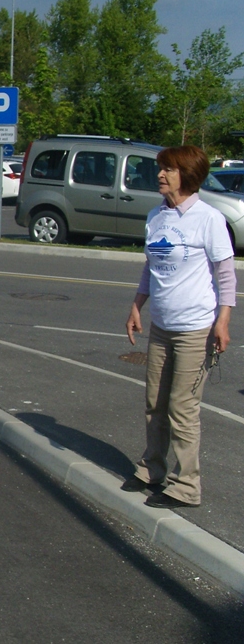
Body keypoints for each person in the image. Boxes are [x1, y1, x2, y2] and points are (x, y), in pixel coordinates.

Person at [124, 145, 234, 509]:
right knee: (155, 402)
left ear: (187, 175)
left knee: (182, 407)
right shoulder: (156, 216)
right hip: (162, 326)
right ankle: (151, 469)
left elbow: (225, 275)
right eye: (161, 168)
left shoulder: (208, 218)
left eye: (168, 169)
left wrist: (223, 320)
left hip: (195, 328)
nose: (160, 174)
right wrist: (137, 305)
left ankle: (186, 485)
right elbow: (150, 266)